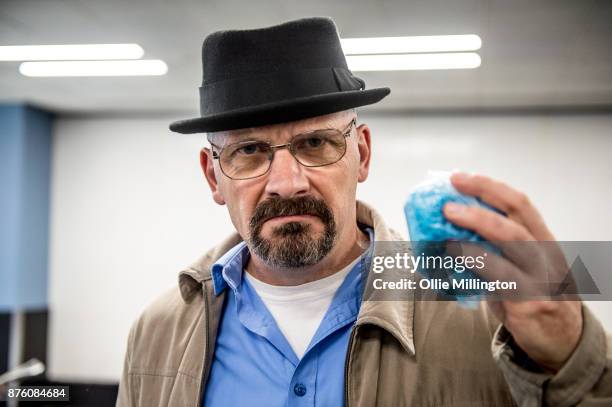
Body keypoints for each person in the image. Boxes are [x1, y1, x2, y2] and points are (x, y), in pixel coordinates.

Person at [116, 17, 611, 406]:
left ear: (363, 155)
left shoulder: (483, 316)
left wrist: (573, 359)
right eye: (248, 151)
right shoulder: (159, 331)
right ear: (212, 176)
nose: (287, 182)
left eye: (316, 143)